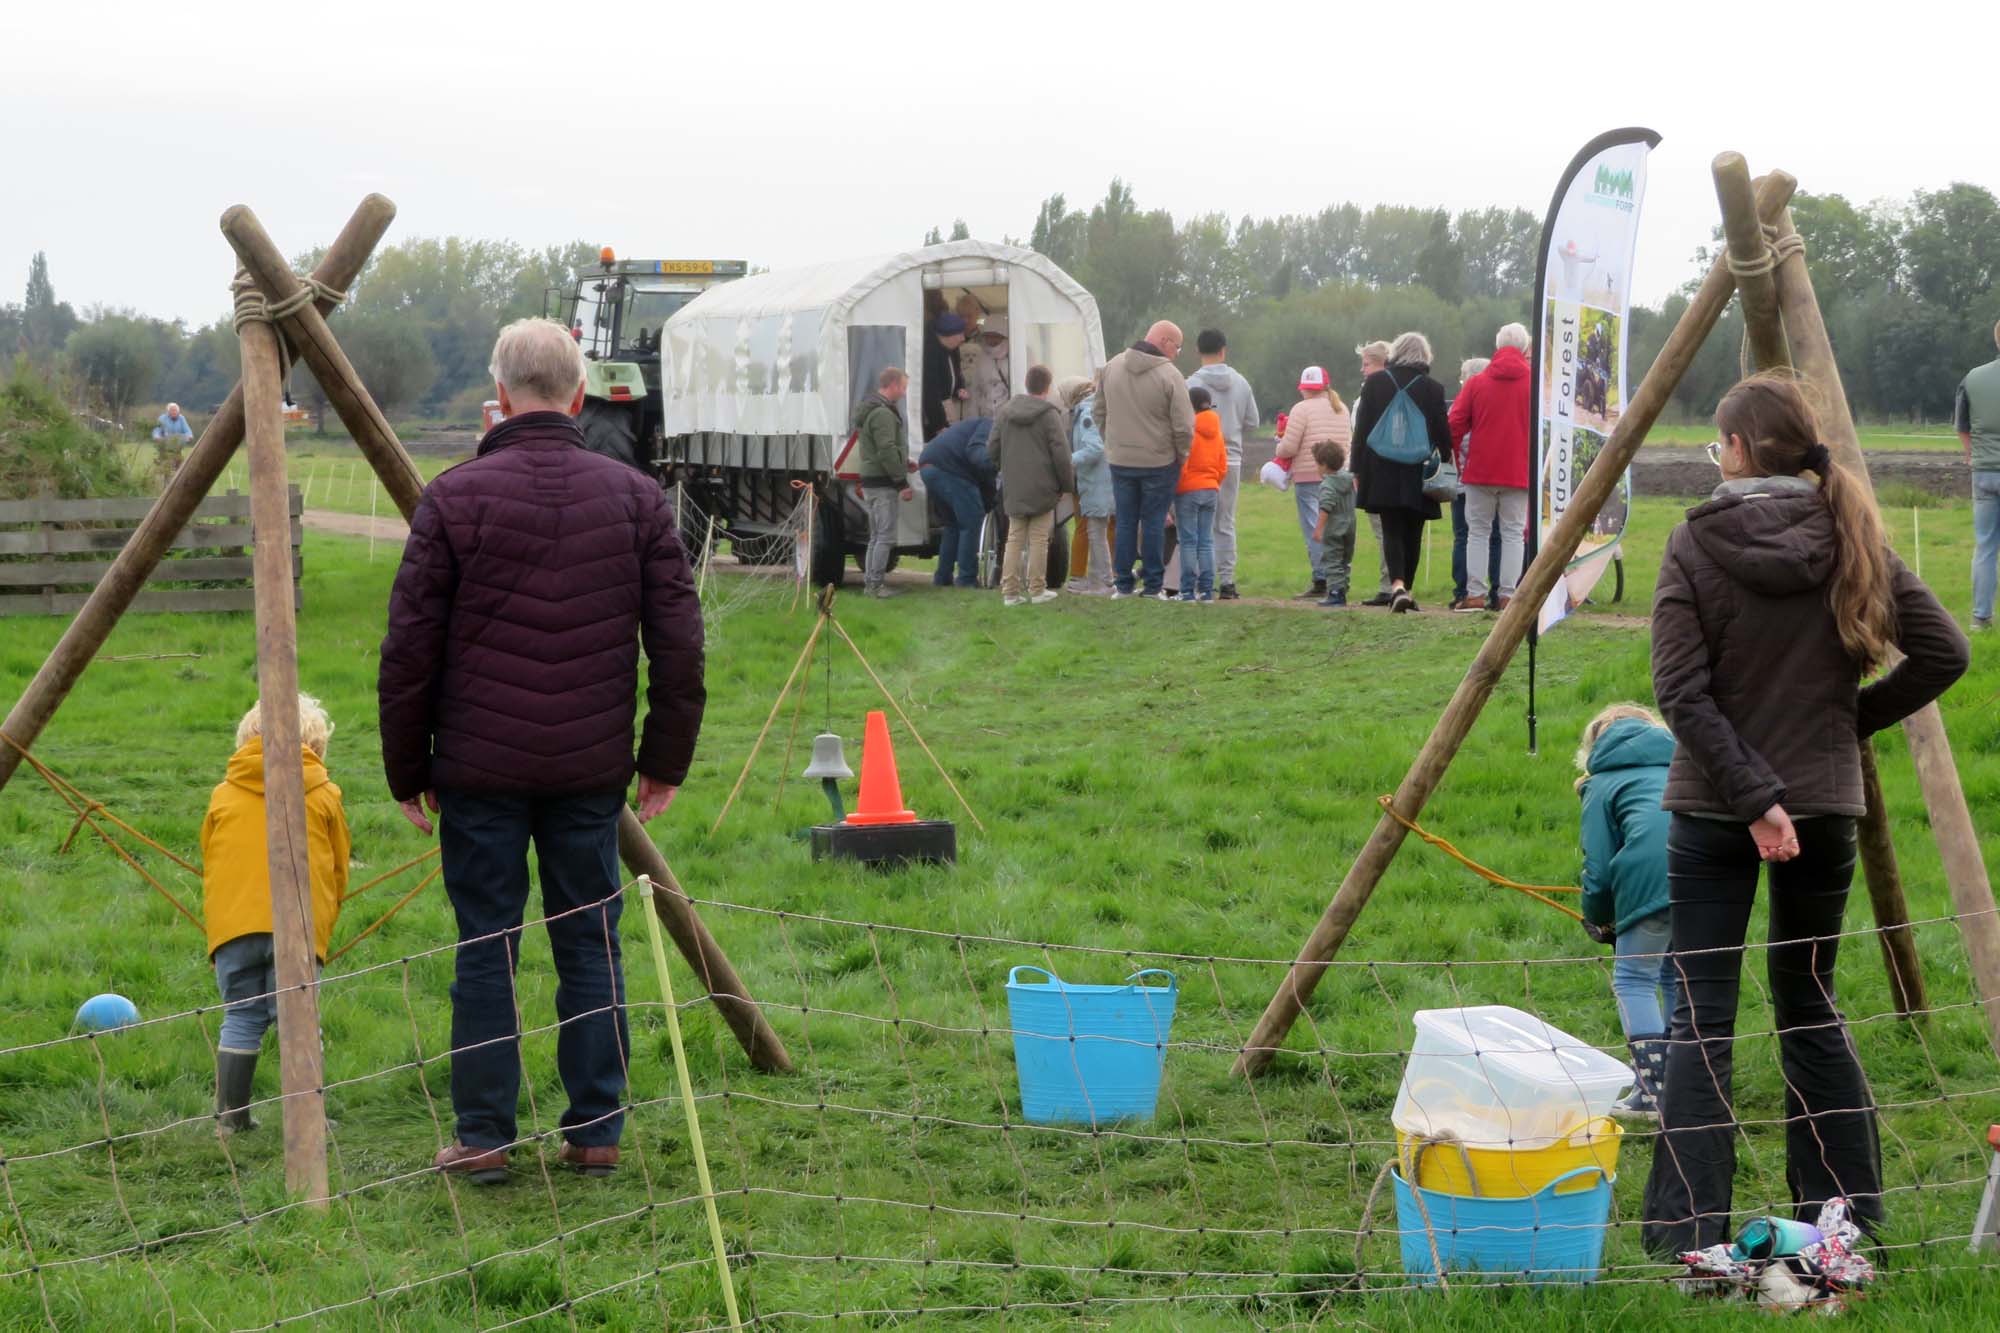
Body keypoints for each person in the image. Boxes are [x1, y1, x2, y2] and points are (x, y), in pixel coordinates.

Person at [1641, 373, 1968, 1258]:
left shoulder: (1693, 541)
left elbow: (1679, 691)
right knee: (1811, 1002)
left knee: (1702, 1017)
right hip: (1818, 808)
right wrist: (1826, 742)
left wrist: (1754, 794)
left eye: (1720, 442)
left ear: (1741, 451)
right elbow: (1947, 649)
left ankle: (1684, 1235)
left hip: (1713, 809)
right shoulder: (1848, 530)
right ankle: (1844, 1226)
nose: (1718, 454)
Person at [378, 317, 706, 1184]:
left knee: (486, 941)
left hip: (478, 770)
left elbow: (409, 648)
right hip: (588, 768)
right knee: (591, 940)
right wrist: (662, 756)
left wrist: (407, 768)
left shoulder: (454, 497)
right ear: (576, 396)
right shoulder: (635, 497)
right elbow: (680, 641)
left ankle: (484, 1135)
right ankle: (595, 1127)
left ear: (498, 397)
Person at [199, 693, 351, 1135]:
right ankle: (309, 1117)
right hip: (298, 928)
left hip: (233, 929)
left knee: (242, 1015)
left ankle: (231, 1119)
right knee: (298, 1019)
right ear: (315, 746)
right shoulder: (324, 794)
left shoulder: (223, 794)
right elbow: (339, 867)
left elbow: (209, 854)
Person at [1574, 703, 1677, 1122]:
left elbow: (1597, 871)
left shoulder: (1602, 784)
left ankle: (1652, 1091)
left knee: (1633, 977)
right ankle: (1684, 1082)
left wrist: (1598, 919)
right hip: (1705, 879)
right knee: (1674, 974)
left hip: (1650, 884)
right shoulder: (1680, 766)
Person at [1352, 332, 1449, 613]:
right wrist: (1445, 460)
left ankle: (1396, 586)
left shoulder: (1375, 383)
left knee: (1391, 526)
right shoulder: (1433, 389)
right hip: (1419, 469)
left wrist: (1356, 467)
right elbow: (1443, 432)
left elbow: (1362, 428)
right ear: (1425, 355)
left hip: (1382, 465)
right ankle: (1408, 589)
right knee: (1414, 530)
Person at [1097, 319, 1194, 599]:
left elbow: (1098, 411)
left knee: (1125, 521)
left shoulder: (1111, 366)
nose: (1177, 353)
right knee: (1153, 523)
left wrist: (1112, 441)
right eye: (1178, 347)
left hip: (1120, 458)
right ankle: (1153, 586)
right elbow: (1184, 426)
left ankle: (1123, 585)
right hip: (1159, 461)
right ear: (1165, 342)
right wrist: (1181, 454)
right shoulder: (1171, 375)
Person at [1449, 324, 1533, 611]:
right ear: (1525, 348)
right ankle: (1508, 595)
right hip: (1519, 471)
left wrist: (1458, 460)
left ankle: (1474, 594)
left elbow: (1455, 423)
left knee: (1477, 532)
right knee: (1512, 533)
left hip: (1480, 470)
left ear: (1497, 346)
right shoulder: (1535, 384)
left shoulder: (1476, 383)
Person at [1184, 329, 1259, 600]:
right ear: (1223, 350)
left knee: (1194, 523)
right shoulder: (1241, 382)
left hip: (1198, 459)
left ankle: (1195, 581)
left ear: (1197, 351)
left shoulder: (1189, 383)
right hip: (1231, 458)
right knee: (1225, 522)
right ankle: (1227, 581)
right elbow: (1253, 422)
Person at [991, 365, 1075, 606]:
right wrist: (1066, 485)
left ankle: (1010, 592)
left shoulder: (1005, 412)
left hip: (1014, 484)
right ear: (1047, 388)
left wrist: (1005, 467)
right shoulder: (1050, 415)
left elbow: (992, 448)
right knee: (1039, 538)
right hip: (1043, 486)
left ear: (1027, 384)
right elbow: (1061, 454)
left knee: (1014, 537)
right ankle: (1037, 590)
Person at [1276, 366, 1353, 600]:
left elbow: (1289, 447)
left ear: (1304, 389)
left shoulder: (1301, 409)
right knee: (1338, 530)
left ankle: (1322, 579)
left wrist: (1278, 447)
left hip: (1309, 475)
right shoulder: (1341, 408)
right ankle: (1339, 579)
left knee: (1315, 531)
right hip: (1341, 476)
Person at [852, 367, 917, 599]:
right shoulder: (882, 414)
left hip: (871, 481)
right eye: (903, 387)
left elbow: (885, 450)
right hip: (882, 484)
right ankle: (875, 586)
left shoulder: (874, 409)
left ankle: (871, 583)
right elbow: (886, 450)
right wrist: (901, 483)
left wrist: (904, 461)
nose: (903, 392)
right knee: (885, 537)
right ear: (892, 385)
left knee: (876, 536)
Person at [1447, 357, 1502, 611]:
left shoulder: (1461, 406)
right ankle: (1496, 590)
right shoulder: (1493, 406)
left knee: (1463, 537)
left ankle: (1463, 590)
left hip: (1463, 482)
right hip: (1492, 478)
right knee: (1495, 538)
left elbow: (1456, 441)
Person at [1956, 318, 2000, 631]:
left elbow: (1962, 426)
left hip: (1984, 472)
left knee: (1985, 547)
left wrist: (1972, 455)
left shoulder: (1973, 378)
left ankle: (1980, 618)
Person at [917, 415, 995, 588]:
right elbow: (976, 454)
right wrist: (995, 465)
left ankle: (943, 577)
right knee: (972, 521)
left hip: (928, 467)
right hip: (949, 470)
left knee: (952, 525)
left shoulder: (975, 423)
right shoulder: (990, 425)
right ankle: (966, 579)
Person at [1058, 376, 1114, 596]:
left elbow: (1094, 448)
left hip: (1095, 482)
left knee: (1096, 532)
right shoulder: (1096, 408)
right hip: (1103, 481)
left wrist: (1069, 460)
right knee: (1097, 531)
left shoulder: (1086, 415)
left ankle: (1104, 582)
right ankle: (1098, 580)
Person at [1173, 385, 1227, 601]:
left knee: (1187, 541)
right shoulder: (1217, 432)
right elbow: (1223, 465)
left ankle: (1186, 591)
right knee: (1206, 541)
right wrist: (1213, 481)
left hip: (1188, 490)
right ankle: (1206, 591)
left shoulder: (1189, 431)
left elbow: (1183, 463)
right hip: (1211, 488)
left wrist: (1176, 487)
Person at [1354, 342, 1397, 606]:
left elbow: (1359, 434)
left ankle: (1388, 585)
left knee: (1384, 531)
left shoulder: (1371, 391)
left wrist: (1356, 468)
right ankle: (1395, 583)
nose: (1362, 369)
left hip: (1375, 467)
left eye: (1366, 364)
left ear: (1381, 363)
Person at [1310, 437, 1357, 608]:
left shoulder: (1327, 484)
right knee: (1345, 559)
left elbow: (1326, 507)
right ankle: (1343, 588)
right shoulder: (1348, 478)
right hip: (1351, 524)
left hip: (1334, 527)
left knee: (1332, 559)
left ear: (1323, 465)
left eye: (1317, 464)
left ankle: (1336, 593)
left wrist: (1318, 529)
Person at [922, 312, 969, 439]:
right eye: (960, 334)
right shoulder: (930, 355)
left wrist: (959, 387)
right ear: (947, 335)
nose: (963, 338)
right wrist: (939, 425)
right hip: (934, 415)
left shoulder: (953, 349)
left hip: (948, 408)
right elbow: (930, 393)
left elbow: (957, 374)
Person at [964, 314, 1011, 421]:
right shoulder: (981, 357)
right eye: (988, 336)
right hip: (986, 417)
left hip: (1008, 418)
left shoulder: (1016, 356)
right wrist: (973, 418)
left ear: (1004, 336)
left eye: (995, 336)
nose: (991, 339)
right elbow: (975, 390)